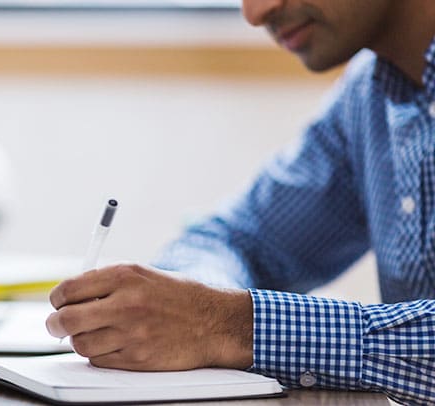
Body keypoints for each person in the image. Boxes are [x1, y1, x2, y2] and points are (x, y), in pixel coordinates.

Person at [44, 1, 435, 404]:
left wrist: (229, 325)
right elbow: (237, 239)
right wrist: (187, 306)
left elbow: (222, 317)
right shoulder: (371, 95)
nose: (256, 13)